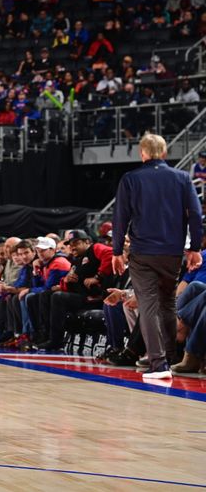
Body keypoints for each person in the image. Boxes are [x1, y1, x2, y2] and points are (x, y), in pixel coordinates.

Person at [112, 133, 203, 380]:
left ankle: (159, 364)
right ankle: (171, 358)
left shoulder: (131, 178)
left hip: (142, 252)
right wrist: (194, 248)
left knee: (150, 306)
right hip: (172, 253)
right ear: (164, 153)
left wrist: (117, 251)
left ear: (142, 153)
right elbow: (195, 215)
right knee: (167, 303)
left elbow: (120, 217)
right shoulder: (183, 178)